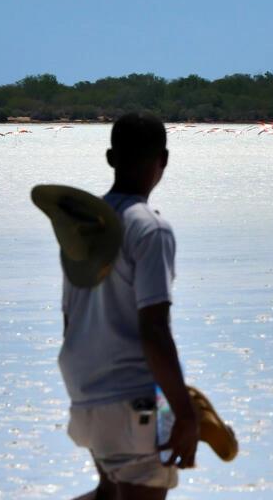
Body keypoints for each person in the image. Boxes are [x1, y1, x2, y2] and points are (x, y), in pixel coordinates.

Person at [59, 113, 198, 500]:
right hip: (133, 396)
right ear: (163, 160)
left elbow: (70, 318)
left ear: (110, 157)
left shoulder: (83, 228)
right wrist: (184, 413)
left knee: (109, 493)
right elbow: (153, 328)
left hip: (84, 390)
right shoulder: (149, 229)